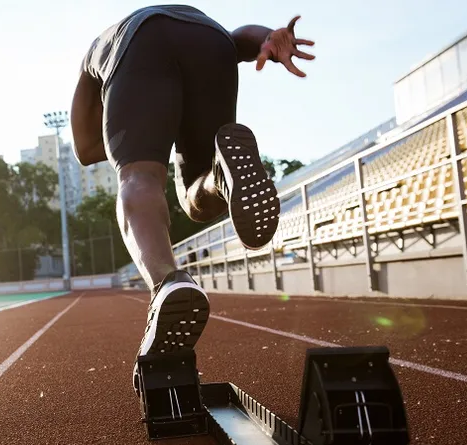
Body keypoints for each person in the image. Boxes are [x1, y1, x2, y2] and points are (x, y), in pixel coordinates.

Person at [68, 5, 315, 394]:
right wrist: (267, 37)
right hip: (211, 39)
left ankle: (167, 283)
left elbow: (84, 148)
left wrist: (144, 132)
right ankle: (220, 175)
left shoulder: (93, 60)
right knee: (198, 198)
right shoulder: (192, 28)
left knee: (138, 175)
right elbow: (238, 42)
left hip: (140, 43)